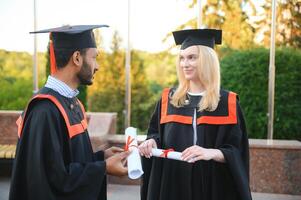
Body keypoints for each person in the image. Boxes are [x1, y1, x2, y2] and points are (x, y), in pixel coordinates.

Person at [9, 25, 129, 200]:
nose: (97, 66)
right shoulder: (45, 110)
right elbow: (47, 182)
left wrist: (101, 158)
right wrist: (103, 168)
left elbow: (69, 162)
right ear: (77, 58)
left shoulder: (73, 103)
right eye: (94, 58)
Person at [139, 29, 252, 200]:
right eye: (182, 58)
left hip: (211, 186)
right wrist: (151, 142)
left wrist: (211, 153)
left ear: (207, 60)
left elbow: (237, 151)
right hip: (173, 183)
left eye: (192, 57)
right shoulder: (168, 100)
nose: (185, 64)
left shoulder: (227, 103)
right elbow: (156, 134)